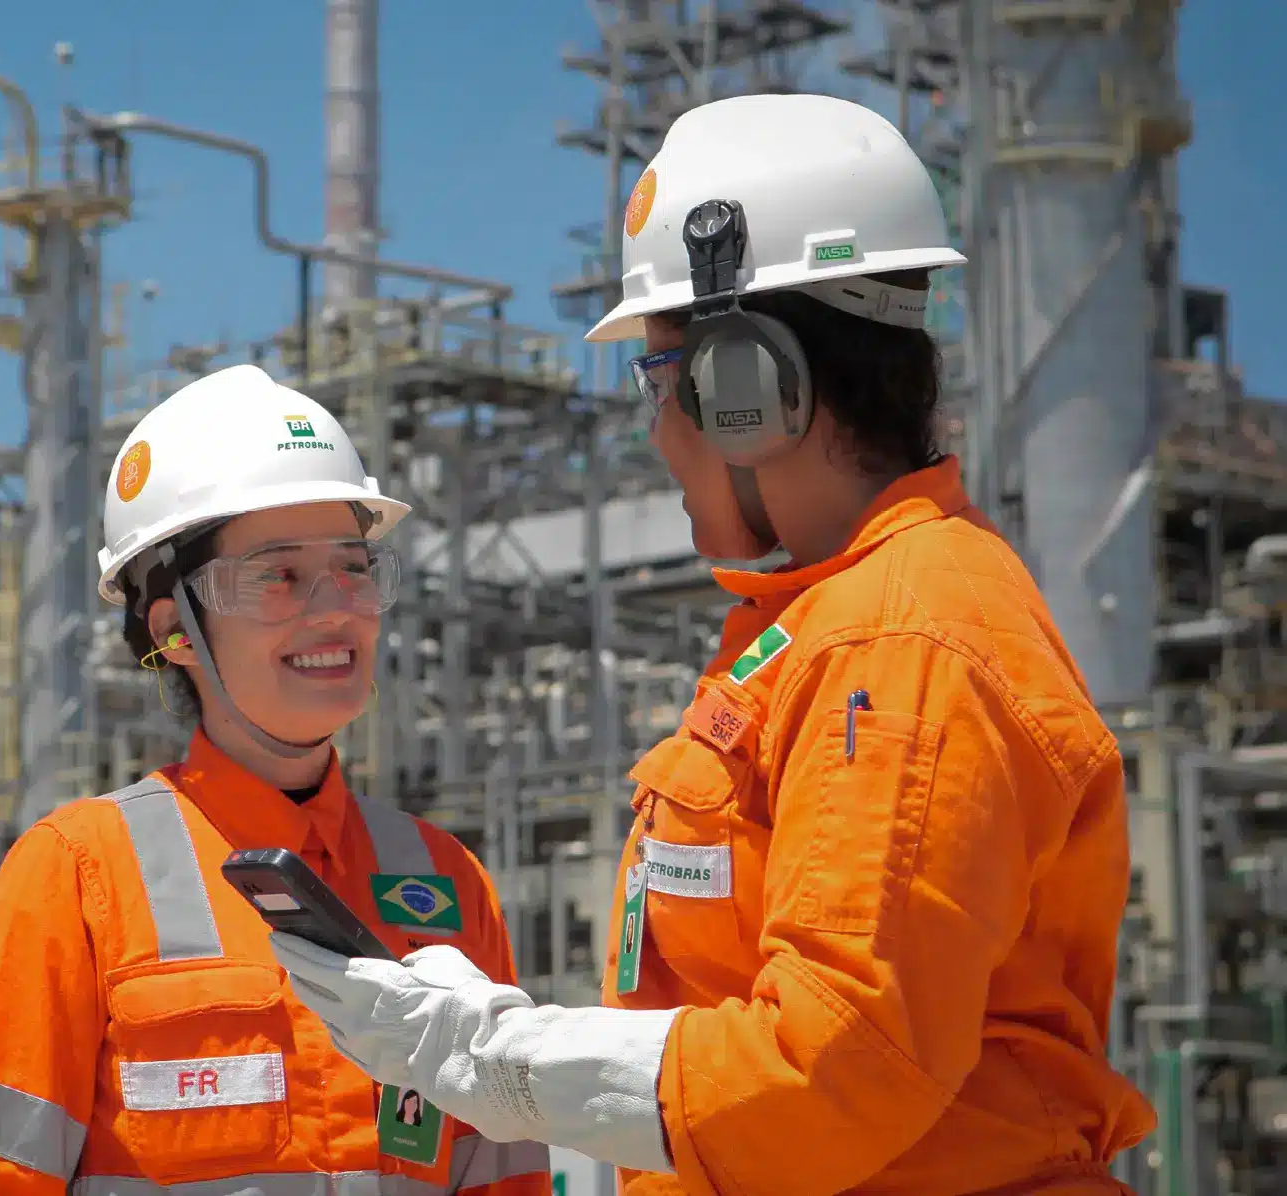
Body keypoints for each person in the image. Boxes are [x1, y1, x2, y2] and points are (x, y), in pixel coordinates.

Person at [269, 94, 1160, 1195]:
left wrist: (490, 1053)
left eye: (655, 377)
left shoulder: (901, 640)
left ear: (745, 390)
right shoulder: (820, 627)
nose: (652, 430)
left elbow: (833, 1067)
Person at [0, 365, 552, 1196]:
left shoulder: (447, 880)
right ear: (175, 629)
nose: (336, 609)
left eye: (354, 568)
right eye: (277, 575)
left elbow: (505, 1177)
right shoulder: (77, 875)